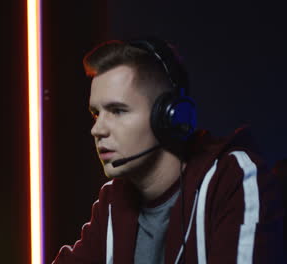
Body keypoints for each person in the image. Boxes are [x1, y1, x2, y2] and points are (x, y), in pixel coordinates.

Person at [52, 37, 284, 264]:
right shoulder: (113, 201)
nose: (97, 129)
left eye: (117, 110)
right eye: (96, 113)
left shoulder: (231, 179)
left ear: (169, 116)